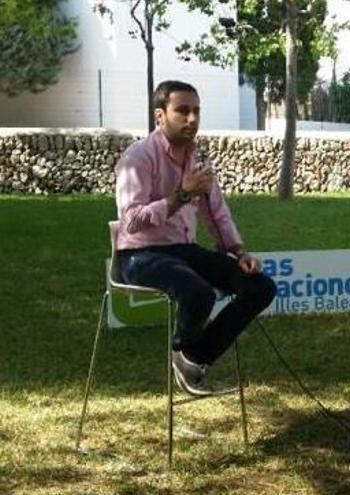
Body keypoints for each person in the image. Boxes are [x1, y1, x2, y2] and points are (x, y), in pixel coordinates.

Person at [115, 80, 276, 396]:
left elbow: (216, 210)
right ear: (160, 116)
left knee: (260, 287)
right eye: (182, 111)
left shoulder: (198, 158)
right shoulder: (138, 157)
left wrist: (238, 251)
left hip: (183, 250)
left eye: (197, 112)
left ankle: (192, 357)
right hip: (139, 255)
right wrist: (182, 195)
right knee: (199, 293)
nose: (192, 119)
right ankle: (188, 355)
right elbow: (131, 221)